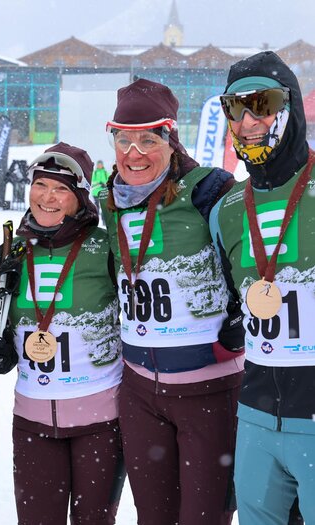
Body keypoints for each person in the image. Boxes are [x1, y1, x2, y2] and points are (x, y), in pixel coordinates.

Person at [99, 77, 245, 525]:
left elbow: (255, 259)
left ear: (170, 138)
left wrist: (238, 319)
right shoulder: (110, 202)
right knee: (153, 517)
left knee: (203, 518)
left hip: (208, 388)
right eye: (123, 139)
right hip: (141, 391)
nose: (134, 152)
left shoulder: (209, 191)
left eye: (147, 139)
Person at [0, 142, 125, 525]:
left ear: (79, 198)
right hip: (32, 421)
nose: (47, 197)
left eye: (61, 188)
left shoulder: (104, 247)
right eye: (40, 184)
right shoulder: (9, 254)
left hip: (101, 420)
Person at [210, 50, 313, 524]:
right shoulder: (227, 208)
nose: (249, 120)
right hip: (255, 413)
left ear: (289, 108)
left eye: (263, 104)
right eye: (236, 107)